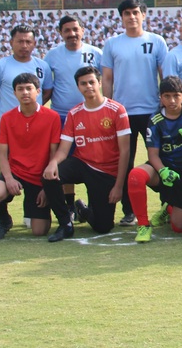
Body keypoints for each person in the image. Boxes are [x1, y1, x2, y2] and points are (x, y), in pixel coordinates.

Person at [41, 66, 132, 242]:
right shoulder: (74, 113)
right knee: (49, 175)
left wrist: (119, 186)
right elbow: (64, 149)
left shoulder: (117, 110)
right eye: (83, 83)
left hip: (106, 171)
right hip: (82, 164)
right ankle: (65, 223)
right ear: (78, 87)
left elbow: (125, 151)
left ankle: (82, 210)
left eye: (92, 82)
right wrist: (53, 163)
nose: (88, 86)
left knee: (103, 227)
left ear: (99, 83)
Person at [100, 0, 168, 226]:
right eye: (127, 13)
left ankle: (167, 205)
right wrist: (107, 106)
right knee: (124, 161)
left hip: (152, 111)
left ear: (143, 15)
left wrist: (165, 105)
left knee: (161, 158)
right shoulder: (112, 44)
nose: (131, 17)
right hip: (122, 112)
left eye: (135, 12)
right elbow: (107, 78)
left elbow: (164, 76)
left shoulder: (156, 41)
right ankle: (128, 210)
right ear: (121, 17)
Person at [125, 76, 182, 243]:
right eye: (167, 96)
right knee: (135, 176)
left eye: (176, 95)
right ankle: (143, 225)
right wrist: (162, 170)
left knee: (179, 227)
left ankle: (168, 207)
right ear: (160, 98)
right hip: (164, 169)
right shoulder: (155, 119)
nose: (172, 100)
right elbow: (152, 154)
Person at [0, 73, 61, 240]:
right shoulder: (6, 118)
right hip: (16, 173)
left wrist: (47, 187)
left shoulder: (52, 117)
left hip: (39, 176)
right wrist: (9, 178)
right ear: (14, 93)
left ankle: (35, 207)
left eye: (29, 88)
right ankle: (4, 220)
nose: (25, 92)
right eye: (20, 89)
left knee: (39, 231)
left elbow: (53, 153)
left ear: (38, 91)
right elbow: (3, 154)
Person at [44, 15, 100, 218]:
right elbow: (46, 87)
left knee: (93, 159)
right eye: (67, 30)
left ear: (83, 31)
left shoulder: (96, 54)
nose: (72, 34)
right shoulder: (51, 56)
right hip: (61, 116)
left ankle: (94, 203)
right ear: (60, 33)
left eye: (75, 29)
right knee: (66, 161)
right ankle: (69, 207)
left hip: (90, 115)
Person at [0, 24, 54, 131]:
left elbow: (47, 92)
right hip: (10, 128)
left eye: (28, 42)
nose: (24, 46)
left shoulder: (43, 66)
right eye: (20, 41)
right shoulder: (0, 66)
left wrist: (30, 108)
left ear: (34, 44)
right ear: (11, 43)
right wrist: (6, 111)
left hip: (37, 127)